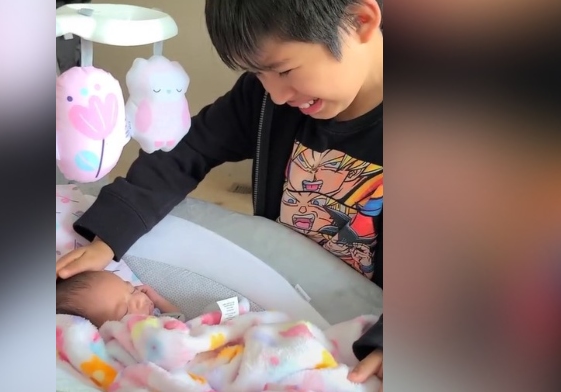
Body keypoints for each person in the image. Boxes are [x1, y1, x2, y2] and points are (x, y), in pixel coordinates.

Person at [56, 0, 384, 385]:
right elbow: (189, 149)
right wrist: (109, 234)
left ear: (360, 21)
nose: (276, 95)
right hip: (288, 291)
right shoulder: (265, 99)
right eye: (258, 75)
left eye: (283, 70)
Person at [56, 271, 181, 327]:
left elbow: (180, 322)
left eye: (132, 289)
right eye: (125, 310)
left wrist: (158, 300)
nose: (139, 298)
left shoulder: (156, 319)